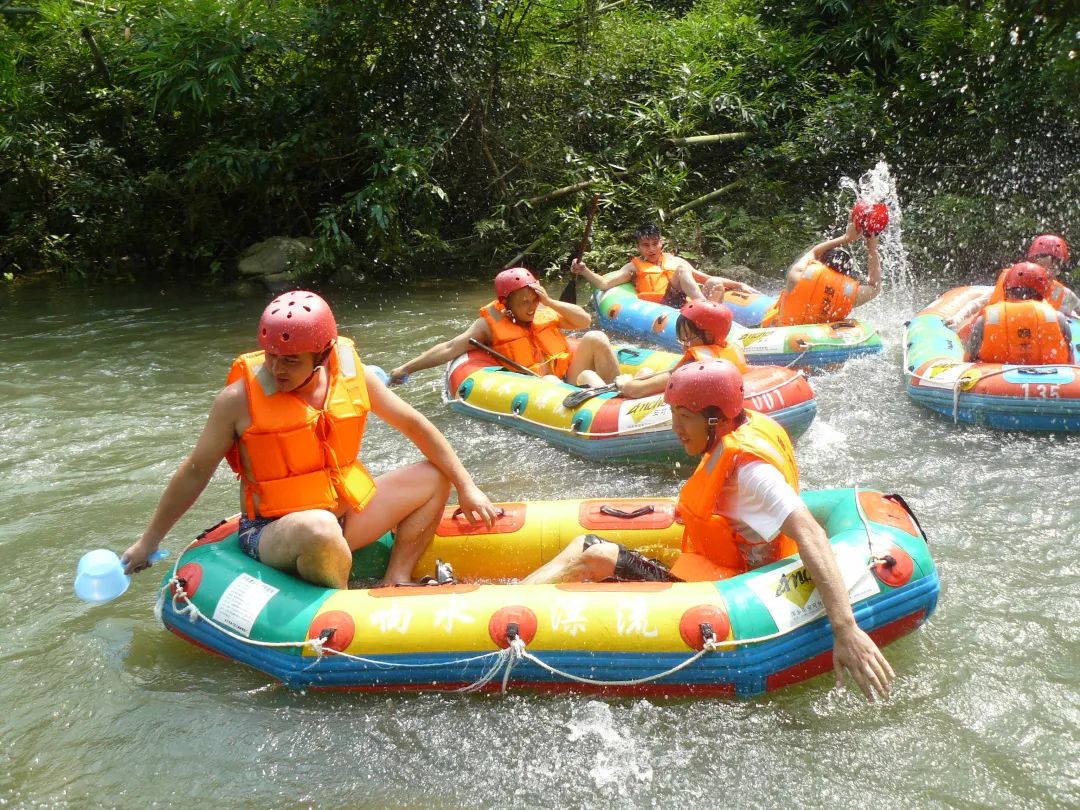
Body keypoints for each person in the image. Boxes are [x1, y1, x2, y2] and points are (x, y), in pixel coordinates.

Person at [523, 359, 894, 700]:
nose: (674, 427)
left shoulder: (751, 473)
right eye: (672, 414)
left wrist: (845, 629)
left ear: (715, 419)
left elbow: (809, 532)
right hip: (721, 571)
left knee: (591, 551)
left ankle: (507, 604)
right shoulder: (746, 425)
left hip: (726, 598)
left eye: (684, 416)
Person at [122, 290, 499, 590]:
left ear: (323, 355)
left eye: (291, 360)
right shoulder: (238, 401)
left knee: (435, 476)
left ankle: (396, 579)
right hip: (273, 531)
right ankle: (342, 605)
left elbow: (417, 426)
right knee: (318, 526)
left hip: (344, 512)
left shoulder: (355, 377)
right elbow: (195, 471)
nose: (276, 368)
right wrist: (148, 542)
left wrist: (468, 487)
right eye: (271, 356)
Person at [388, 267, 619, 387]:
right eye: (523, 303)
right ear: (506, 304)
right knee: (549, 382)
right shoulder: (489, 324)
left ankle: (618, 397)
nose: (531, 308)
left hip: (569, 376)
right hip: (537, 389)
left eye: (534, 300)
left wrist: (547, 301)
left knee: (596, 337)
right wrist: (406, 368)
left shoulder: (544, 308)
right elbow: (450, 348)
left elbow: (584, 321)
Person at [570, 222, 757, 310]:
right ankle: (706, 308)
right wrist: (584, 270)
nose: (651, 249)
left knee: (715, 282)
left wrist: (739, 285)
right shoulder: (633, 267)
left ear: (661, 243)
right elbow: (604, 284)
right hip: (661, 305)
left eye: (654, 243)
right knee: (683, 271)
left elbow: (705, 278)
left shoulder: (676, 261)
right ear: (638, 247)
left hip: (683, 301)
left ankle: (712, 312)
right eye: (645, 245)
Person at [614, 299, 748, 399]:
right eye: (681, 339)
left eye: (687, 339)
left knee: (641, 376)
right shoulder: (728, 350)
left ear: (708, 334)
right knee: (645, 372)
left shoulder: (695, 365)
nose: (684, 345)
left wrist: (625, 384)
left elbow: (637, 390)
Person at [761, 219, 882, 327]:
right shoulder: (849, 295)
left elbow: (814, 251)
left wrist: (846, 238)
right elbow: (874, 287)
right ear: (846, 274)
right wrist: (872, 248)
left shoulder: (797, 277)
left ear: (820, 262)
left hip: (782, 333)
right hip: (821, 341)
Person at [967, 262, 1072, 365]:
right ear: (1042, 292)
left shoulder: (985, 320)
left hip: (993, 379)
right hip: (1053, 380)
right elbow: (1070, 361)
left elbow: (969, 362)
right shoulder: (1059, 320)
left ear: (1007, 289)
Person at [987, 234, 1078, 317]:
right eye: (1042, 268)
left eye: (1053, 268)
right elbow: (982, 301)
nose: (1048, 273)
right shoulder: (1012, 280)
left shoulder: (1063, 294)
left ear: (1060, 269)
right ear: (1031, 265)